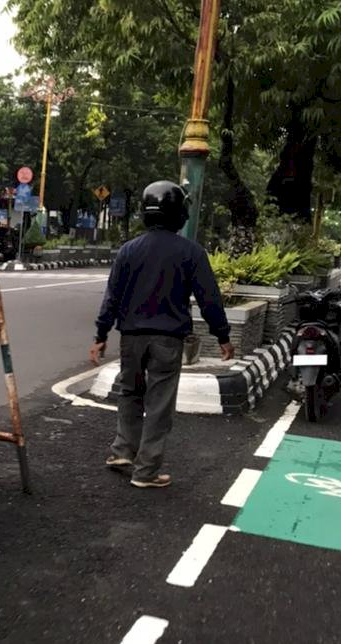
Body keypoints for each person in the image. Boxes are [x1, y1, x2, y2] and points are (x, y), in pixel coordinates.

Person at [89, 180, 235, 489]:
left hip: (131, 338)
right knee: (158, 404)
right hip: (168, 340)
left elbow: (111, 297)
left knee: (129, 393)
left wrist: (100, 334)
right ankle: (146, 472)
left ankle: (122, 452)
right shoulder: (191, 252)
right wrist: (222, 336)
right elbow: (209, 298)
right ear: (178, 214)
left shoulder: (129, 250)